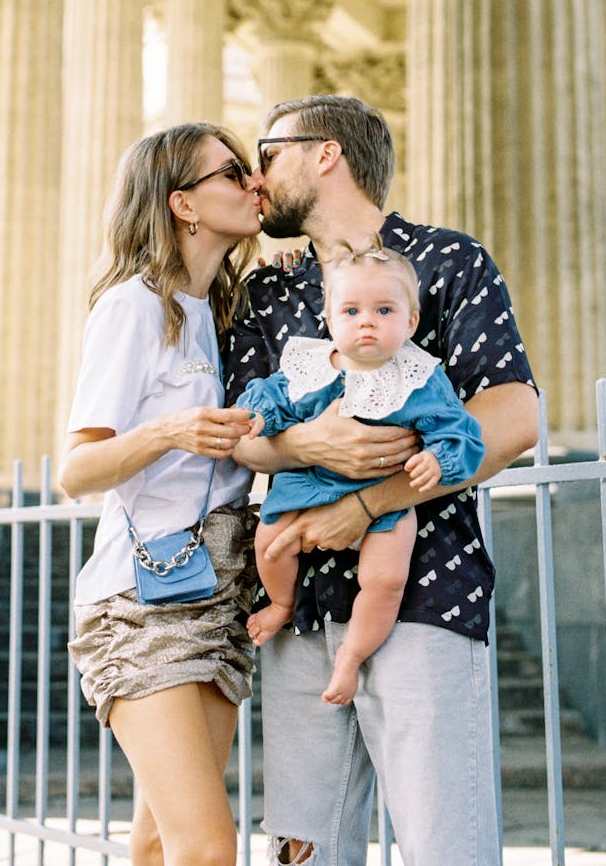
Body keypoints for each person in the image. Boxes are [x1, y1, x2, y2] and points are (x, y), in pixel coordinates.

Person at [224, 95, 539, 866]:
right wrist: (309, 442)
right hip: (295, 607)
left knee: (446, 846)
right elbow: (242, 438)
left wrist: (369, 499)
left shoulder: (450, 261)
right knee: (304, 847)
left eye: (267, 153)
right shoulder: (269, 292)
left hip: (425, 590)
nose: (256, 178)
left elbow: (512, 416)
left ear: (324, 153)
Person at [59, 124, 263, 866]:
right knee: (208, 847)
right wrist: (171, 430)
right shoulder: (133, 306)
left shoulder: (227, 314)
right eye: (233, 171)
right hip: (142, 601)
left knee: (157, 842)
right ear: (183, 203)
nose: (253, 182)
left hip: (220, 592)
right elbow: (77, 470)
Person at [235, 239, 485, 706]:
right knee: (269, 544)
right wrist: (260, 417)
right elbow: (273, 399)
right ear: (329, 320)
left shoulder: (419, 379)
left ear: (410, 322)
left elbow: (460, 432)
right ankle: (282, 603)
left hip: (383, 495)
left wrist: (438, 459)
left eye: (384, 310)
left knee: (386, 578)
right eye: (350, 311)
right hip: (310, 486)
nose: (366, 320)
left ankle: (351, 657)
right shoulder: (311, 367)